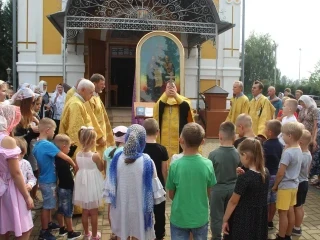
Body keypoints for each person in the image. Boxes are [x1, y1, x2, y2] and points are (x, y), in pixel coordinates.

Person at [104, 124, 166, 240]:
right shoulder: (147, 161)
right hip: (140, 207)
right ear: (142, 141)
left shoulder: (116, 158)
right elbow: (154, 189)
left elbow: (111, 186)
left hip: (121, 206)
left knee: (122, 235)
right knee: (139, 235)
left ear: (127, 138)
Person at [166, 123, 216, 239]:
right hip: (200, 217)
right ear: (202, 142)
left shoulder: (175, 165)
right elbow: (209, 191)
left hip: (179, 217)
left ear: (181, 140)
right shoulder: (208, 164)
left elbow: (171, 194)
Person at [33, 118, 76, 240]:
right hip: (48, 180)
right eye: (53, 130)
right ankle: (44, 231)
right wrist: (74, 165)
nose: (54, 133)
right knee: (47, 206)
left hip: (43, 178)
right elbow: (65, 157)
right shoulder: (47, 145)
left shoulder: (37, 144)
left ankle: (49, 224)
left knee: (50, 204)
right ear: (47, 130)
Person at [222, 138, 269, 240]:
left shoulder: (245, 178)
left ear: (245, 156)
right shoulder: (265, 173)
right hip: (259, 218)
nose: (240, 159)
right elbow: (254, 190)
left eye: (240, 156)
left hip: (244, 219)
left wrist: (225, 220)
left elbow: (233, 202)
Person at [0, 105, 34, 239]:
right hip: (11, 188)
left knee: (3, 227)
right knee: (24, 228)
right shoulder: (7, 141)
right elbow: (16, 173)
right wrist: (27, 196)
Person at [271, 122, 304, 240]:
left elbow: (281, 173)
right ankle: (288, 234)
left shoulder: (288, 153)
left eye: (283, 135)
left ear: (289, 136)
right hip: (294, 185)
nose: (282, 137)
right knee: (290, 211)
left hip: (285, 186)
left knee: (282, 213)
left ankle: (281, 236)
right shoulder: (298, 148)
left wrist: (275, 185)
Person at [208, 122, 240, 240]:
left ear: (220, 137)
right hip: (233, 188)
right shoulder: (238, 153)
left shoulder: (213, 154)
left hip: (217, 189)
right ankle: (229, 235)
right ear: (234, 137)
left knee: (216, 216)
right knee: (230, 214)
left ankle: (216, 237)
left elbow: (209, 174)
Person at [73, 127, 104, 240]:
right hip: (93, 183)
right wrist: (101, 158)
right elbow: (101, 168)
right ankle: (95, 235)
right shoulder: (95, 155)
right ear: (92, 141)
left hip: (82, 183)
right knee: (94, 212)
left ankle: (87, 233)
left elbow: (77, 168)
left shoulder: (78, 154)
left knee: (85, 211)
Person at [143, 118, 169, 240]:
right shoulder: (162, 149)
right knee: (159, 211)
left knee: (144, 209)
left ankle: (144, 231)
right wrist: (165, 185)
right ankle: (159, 234)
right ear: (158, 132)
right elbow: (164, 170)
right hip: (158, 184)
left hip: (143, 184)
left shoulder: (140, 148)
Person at [153, 82, 194, 158]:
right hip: (164, 136)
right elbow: (157, 111)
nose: (170, 89)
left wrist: (176, 96)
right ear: (165, 89)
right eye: (168, 87)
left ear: (176, 89)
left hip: (179, 134)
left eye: (172, 87)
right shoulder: (161, 101)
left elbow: (186, 109)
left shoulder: (183, 100)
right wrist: (166, 96)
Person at [54, 134, 82, 239]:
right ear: (63, 147)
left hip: (60, 188)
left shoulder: (58, 158)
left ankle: (62, 229)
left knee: (61, 209)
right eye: (69, 147)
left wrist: (72, 146)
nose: (70, 149)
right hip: (66, 189)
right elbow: (68, 177)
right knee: (68, 211)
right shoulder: (63, 163)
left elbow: (68, 153)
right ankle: (70, 232)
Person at [103, 125, 127, 240]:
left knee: (111, 209)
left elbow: (104, 168)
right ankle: (123, 231)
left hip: (110, 184)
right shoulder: (125, 151)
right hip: (122, 184)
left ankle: (114, 232)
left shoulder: (107, 151)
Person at [59, 79, 94, 158]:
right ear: (83, 90)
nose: (92, 95)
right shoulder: (76, 104)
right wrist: (80, 153)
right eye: (91, 92)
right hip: (77, 150)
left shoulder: (78, 102)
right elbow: (75, 131)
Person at [85, 74, 114, 158]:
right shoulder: (90, 98)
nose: (104, 86)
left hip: (102, 131)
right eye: (102, 84)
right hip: (97, 135)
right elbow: (91, 118)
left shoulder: (97, 96)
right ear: (94, 84)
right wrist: (99, 135)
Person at [292, 130, 312, 237]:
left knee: (298, 207)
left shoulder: (302, 156)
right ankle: (297, 225)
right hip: (305, 181)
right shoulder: (308, 154)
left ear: (301, 142)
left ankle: (297, 227)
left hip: (300, 183)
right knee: (300, 206)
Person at [263, 120, 283, 229]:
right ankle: (270, 221)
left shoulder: (265, 144)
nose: (264, 130)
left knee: (265, 199)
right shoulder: (280, 145)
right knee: (273, 199)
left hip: (267, 175)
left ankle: (264, 220)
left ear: (270, 132)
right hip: (276, 176)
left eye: (265, 128)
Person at [15, 137, 37, 219]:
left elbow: (32, 178)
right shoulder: (7, 165)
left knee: (24, 214)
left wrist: (30, 184)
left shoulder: (26, 163)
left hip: (24, 193)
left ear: (22, 152)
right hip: (13, 194)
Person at [28, 93, 43, 209]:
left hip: (36, 144)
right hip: (31, 146)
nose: (39, 106)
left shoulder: (35, 115)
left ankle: (34, 195)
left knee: (37, 171)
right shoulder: (29, 116)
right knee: (34, 171)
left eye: (40, 104)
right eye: (37, 104)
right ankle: (32, 196)